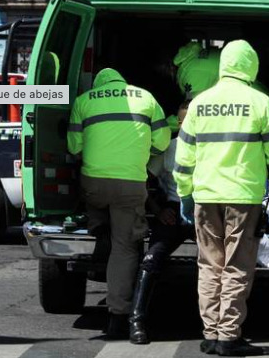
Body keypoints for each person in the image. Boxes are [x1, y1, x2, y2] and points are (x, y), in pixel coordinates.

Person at [173, 40, 269, 356]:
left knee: (209, 265)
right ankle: (228, 336)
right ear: (251, 65)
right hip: (243, 197)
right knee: (237, 266)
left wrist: (185, 193)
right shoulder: (261, 103)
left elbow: (184, 156)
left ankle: (211, 334)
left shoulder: (199, 103)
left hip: (205, 196)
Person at [67, 67, 170, 339]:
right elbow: (162, 143)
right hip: (130, 186)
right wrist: (142, 150)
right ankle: (117, 317)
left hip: (94, 185)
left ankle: (99, 227)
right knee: (124, 247)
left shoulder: (84, 101)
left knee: (94, 198)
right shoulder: (146, 98)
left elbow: (74, 147)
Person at [129, 100, 195, 345]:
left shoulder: (214, 148)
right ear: (178, 122)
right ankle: (136, 322)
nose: (190, 125)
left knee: (217, 264)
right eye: (185, 120)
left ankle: (218, 325)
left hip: (205, 211)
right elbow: (142, 180)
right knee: (150, 260)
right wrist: (157, 210)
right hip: (174, 211)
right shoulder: (170, 148)